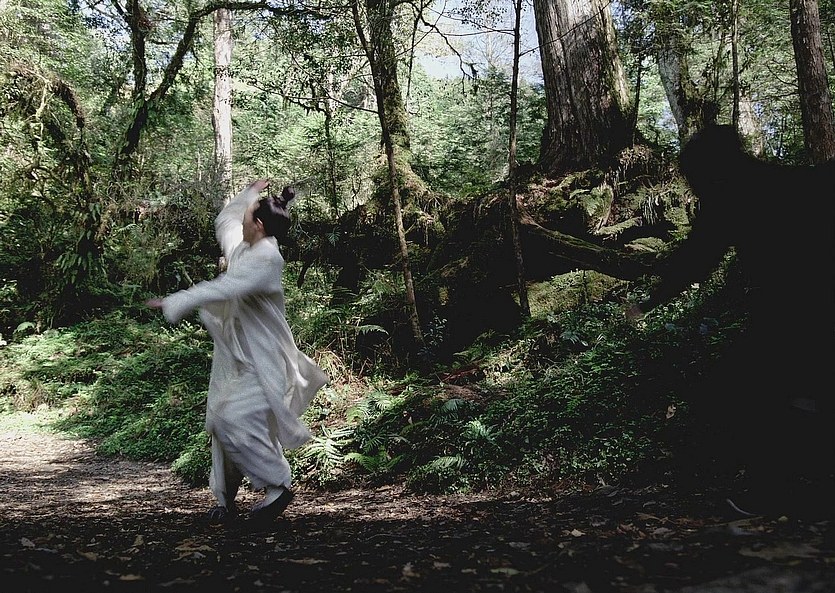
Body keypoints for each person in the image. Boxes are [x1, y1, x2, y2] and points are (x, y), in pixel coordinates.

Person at [630, 125, 835, 518]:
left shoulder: (729, 194)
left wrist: (649, 302)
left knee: (755, 392)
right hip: (803, 306)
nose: (693, 187)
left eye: (692, 176)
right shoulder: (778, 180)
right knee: (797, 391)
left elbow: (697, 258)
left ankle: (772, 492)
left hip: (789, 310)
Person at [146, 179, 328, 525]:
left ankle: (277, 485)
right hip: (233, 356)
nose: (243, 217)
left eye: (249, 214)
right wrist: (251, 193)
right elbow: (227, 220)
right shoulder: (246, 246)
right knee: (221, 421)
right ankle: (225, 500)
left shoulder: (266, 259)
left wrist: (175, 301)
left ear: (258, 224)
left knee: (232, 417)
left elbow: (225, 287)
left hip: (263, 359)